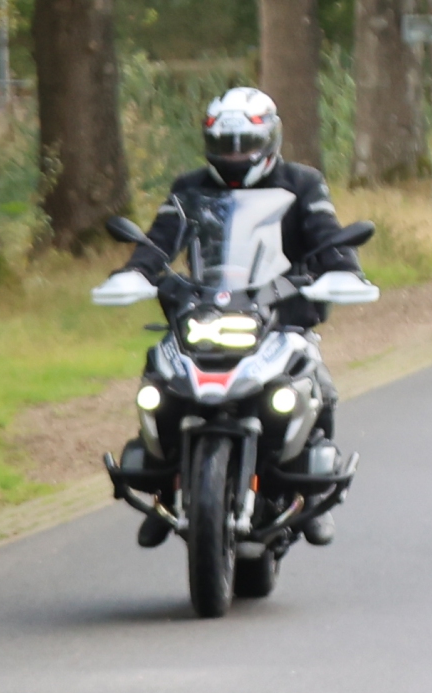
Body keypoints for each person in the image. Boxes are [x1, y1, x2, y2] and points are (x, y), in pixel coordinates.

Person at [94, 87, 368, 548]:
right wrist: (135, 272)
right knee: (159, 378)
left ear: (270, 139)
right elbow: (161, 239)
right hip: (204, 309)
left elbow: (327, 234)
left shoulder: (302, 183)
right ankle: (164, 487)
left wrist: (343, 271)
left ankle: (312, 496)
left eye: (245, 144)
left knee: (317, 382)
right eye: (225, 144)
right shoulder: (189, 187)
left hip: (279, 312)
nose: (235, 154)